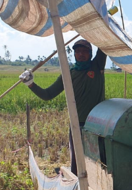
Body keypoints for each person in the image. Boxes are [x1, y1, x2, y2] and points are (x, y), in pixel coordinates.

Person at [19, 39, 107, 175]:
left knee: (101, 161)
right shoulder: (68, 74)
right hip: (77, 124)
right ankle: (77, 189)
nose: (81, 54)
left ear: (90, 54)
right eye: (78, 51)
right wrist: (30, 84)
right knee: (77, 163)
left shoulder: (97, 65)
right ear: (74, 54)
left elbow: (102, 42)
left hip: (97, 124)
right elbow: (47, 94)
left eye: (84, 51)